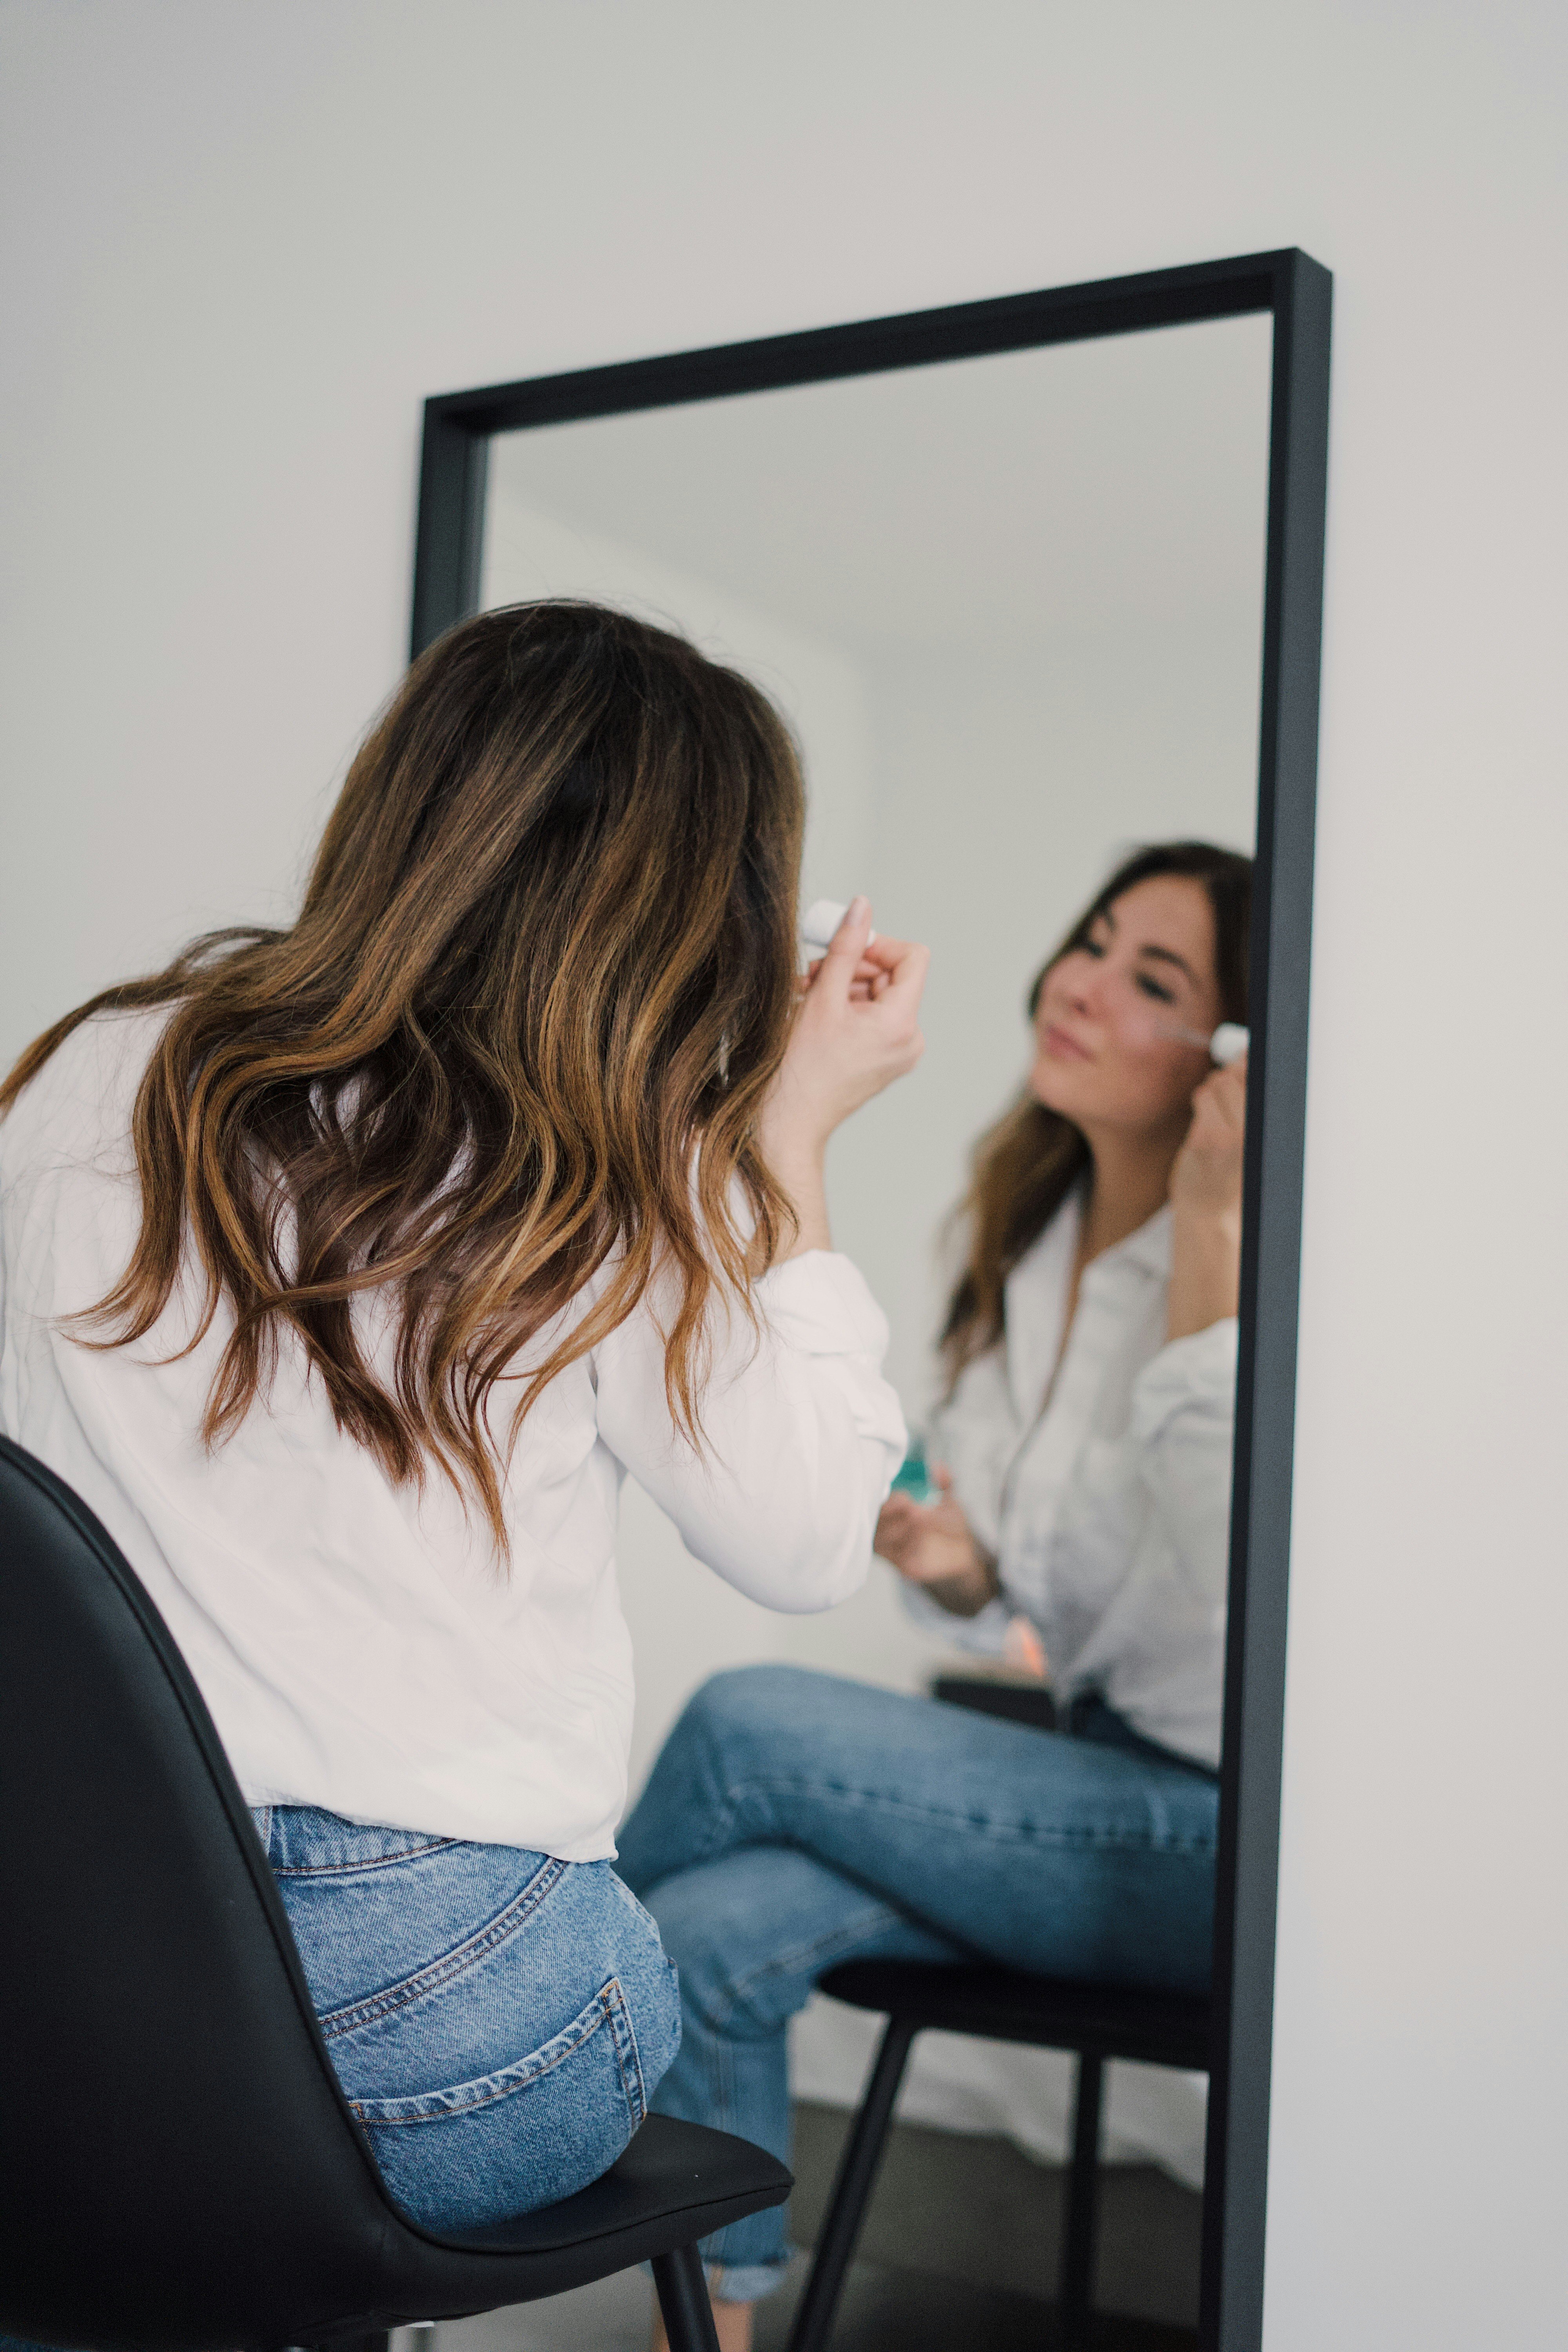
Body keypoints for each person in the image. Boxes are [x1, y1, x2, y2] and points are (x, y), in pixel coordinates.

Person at [0, 601, 928, 2236]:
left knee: (94, 2211)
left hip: (58, 1964)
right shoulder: (608, 1176)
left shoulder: (96, 1068)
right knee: (644, 1956)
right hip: (431, 2030)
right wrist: (786, 1136)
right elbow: (805, 1543)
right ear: (703, 910)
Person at [618, 839, 1250, 2352]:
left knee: (748, 1719)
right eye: (1092, 943)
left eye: (1153, 979)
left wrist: (1221, 1235)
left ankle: (511, 2046)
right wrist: (967, 1576)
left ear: (1233, 1057)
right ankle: (709, 2337)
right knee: (704, 1934)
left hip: (1227, 1839)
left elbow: (1242, 1582)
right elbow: (1030, 1610)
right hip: (1082, 1786)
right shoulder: (1016, 1241)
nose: (1083, 984)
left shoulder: (1255, 1263)